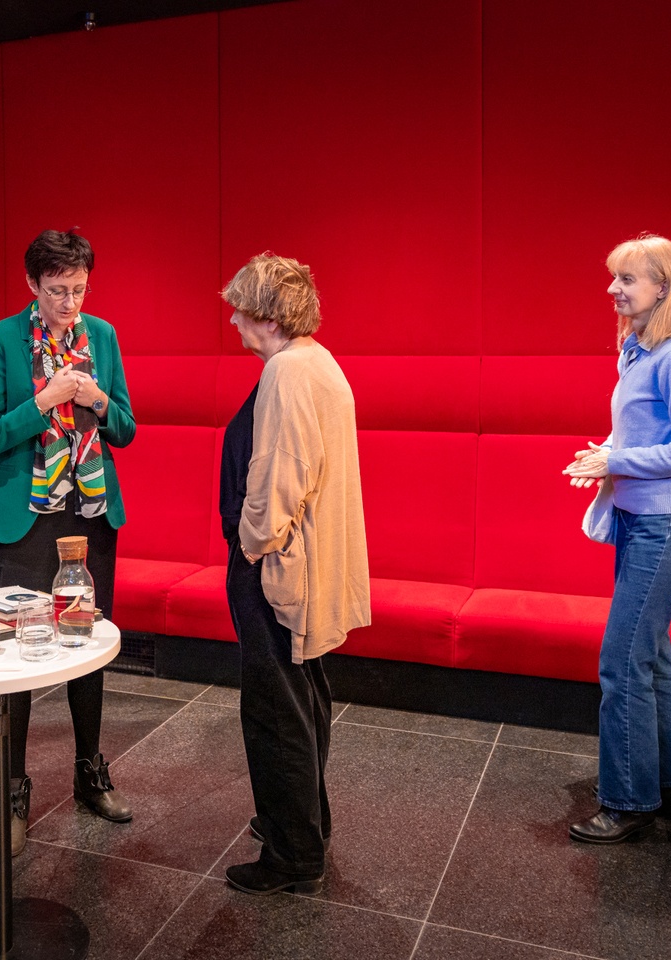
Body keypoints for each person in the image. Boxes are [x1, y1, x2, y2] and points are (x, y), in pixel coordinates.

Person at [0, 229, 136, 856]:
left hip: (88, 515)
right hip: (25, 521)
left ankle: (90, 773)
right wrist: (44, 401)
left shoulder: (104, 337)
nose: (70, 303)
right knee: (19, 656)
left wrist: (98, 400)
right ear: (32, 284)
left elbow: (126, 428)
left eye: (80, 290)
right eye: (58, 290)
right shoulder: (0, 341)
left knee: (86, 647)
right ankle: (13, 789)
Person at [219, 253, 370, 895]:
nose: (232, 320)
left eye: (240, 310)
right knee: (303, 697)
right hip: (304, 564)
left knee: (275, 709)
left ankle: (292, 854)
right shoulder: (318, 360)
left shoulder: (286, 370)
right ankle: (306, 823)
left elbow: (282, 476)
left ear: (268, 317)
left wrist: (251, 546)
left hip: (279, 568)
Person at [563, 233, 671, 844]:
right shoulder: (638, 350)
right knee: (650, 654)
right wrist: (607, 452)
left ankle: (628, 801)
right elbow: (643, 432)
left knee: (623, 661)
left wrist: (617, 460)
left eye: (626, 279)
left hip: (668, 522)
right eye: (614, 277)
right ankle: (667, 781)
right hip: (641, 518)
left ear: (663, 288)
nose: (613, 289)